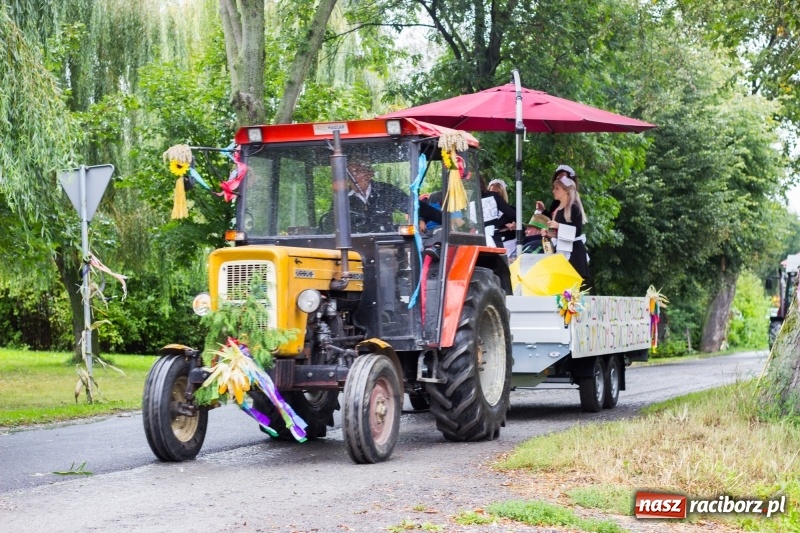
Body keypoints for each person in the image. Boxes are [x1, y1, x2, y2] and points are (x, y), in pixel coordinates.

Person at [346, 155, 442, 233]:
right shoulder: (343, 198)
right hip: (354, 248)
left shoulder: (386, 191)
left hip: (387, 244)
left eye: (356, 172)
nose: (352, 177)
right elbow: (332, 224)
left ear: (369, 174)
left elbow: (414, 207)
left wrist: (443, 220)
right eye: (349, 173)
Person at [534, 173, 589, 279]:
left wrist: (559, 226)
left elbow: (577, 231)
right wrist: (549, 234)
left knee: (572, 290)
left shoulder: (574, 208)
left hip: (575, 253)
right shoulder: (558, 210)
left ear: (566, 191)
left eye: (557, 188)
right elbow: (559, 234)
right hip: (562, 250)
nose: (553, 191)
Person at [488, 179, 517, 257]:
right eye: (491, 193)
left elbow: (522, 229)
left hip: (509, 247)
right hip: (490, 246)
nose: (494, 196)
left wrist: (515, 226)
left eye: (497, 193)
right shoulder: (484, 212)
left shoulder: (511, 210)